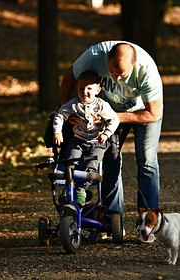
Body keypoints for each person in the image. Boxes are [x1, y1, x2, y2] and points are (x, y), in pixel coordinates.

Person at [59, 41, 163, 242]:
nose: (116, 77)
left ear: (134, 65)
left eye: (123, 74)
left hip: (142, 113)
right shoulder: (93, 55)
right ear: (105, 60)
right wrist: (65, 109)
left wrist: (116, 117)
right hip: (106, 112)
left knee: (147, 162)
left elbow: (154, 113)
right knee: (110, 160)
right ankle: (112, 219)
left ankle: (149, 223)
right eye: (113, 71)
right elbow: (71, 75)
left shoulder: (147, 70)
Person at [53, 70, 120, 206]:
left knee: (92, 165)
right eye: (81, 88)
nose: (84, 92)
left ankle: (82, 190)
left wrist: (106, 133)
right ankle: (69, 187)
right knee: (70, 160)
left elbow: (114, 120)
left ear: (97, 89)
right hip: (78, 139)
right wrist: (57, 132)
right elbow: (60, 115)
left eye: (89, 88)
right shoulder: (74, 104)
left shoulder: (101, 105)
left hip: (97, 142)